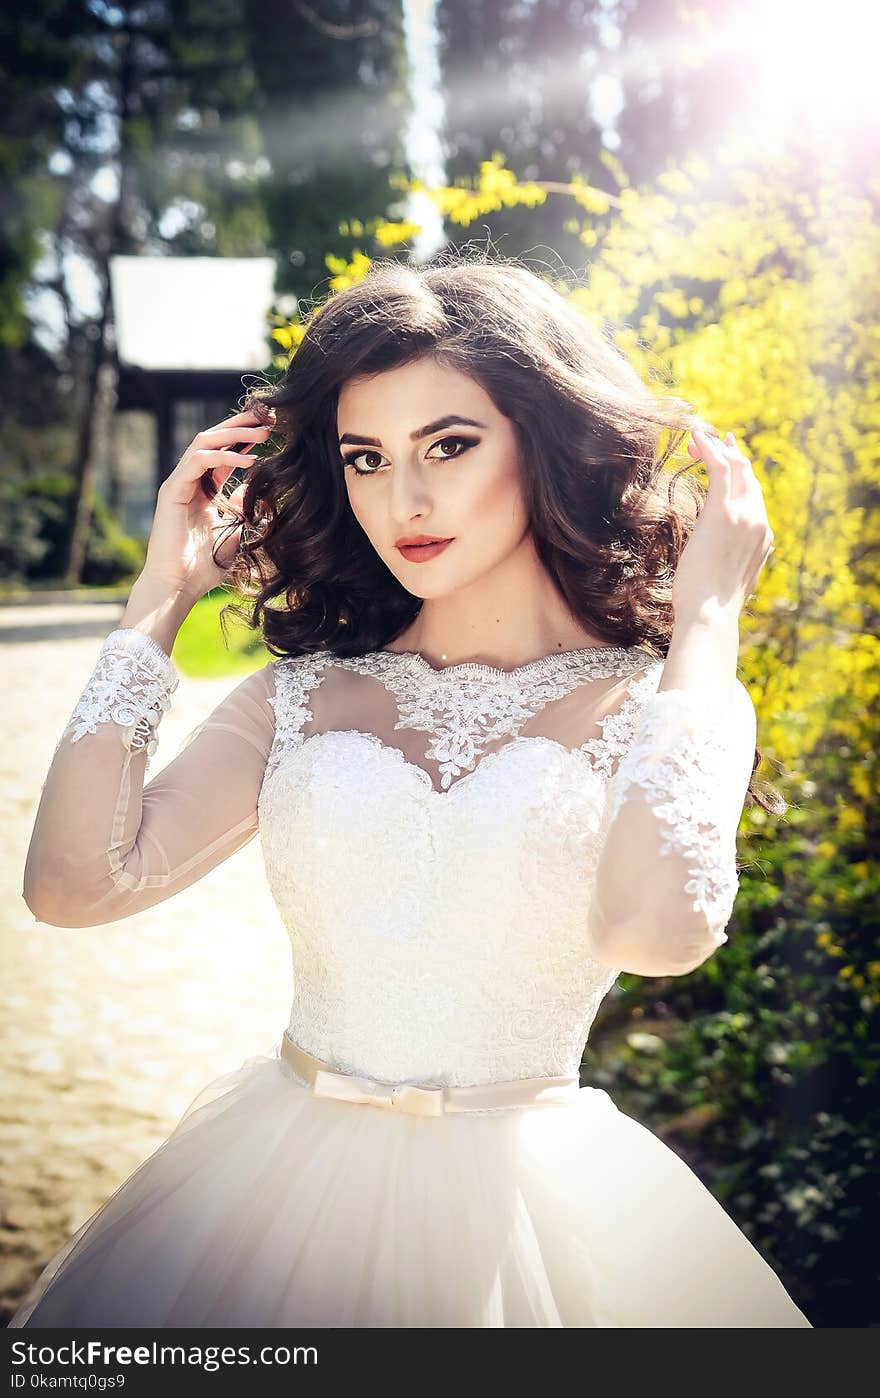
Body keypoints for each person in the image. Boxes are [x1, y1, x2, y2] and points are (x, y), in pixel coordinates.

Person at [10, 252, 812, 1328]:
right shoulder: (298, 697)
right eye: (365, 458)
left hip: (546, 1217)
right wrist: (159, 597)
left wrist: (706, 625)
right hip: (265, 1194)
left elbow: (653, 931)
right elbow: (72, 886)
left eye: (449, 444)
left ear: (544, 440)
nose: (407, 498)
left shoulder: (668, 702)